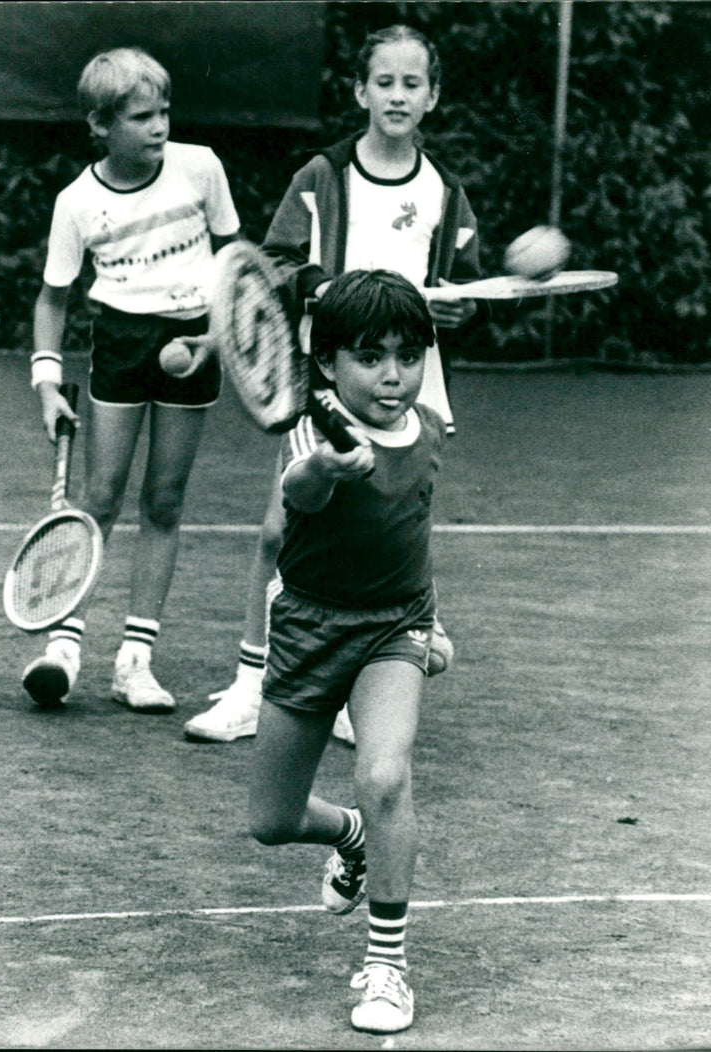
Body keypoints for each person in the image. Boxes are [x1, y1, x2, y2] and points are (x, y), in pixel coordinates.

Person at [185, 23, 479, 745]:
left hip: (412, 392)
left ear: (433, 96)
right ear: (360, 91)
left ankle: (360, 686)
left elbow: (463, 292)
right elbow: (277, 263)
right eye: (385, 82)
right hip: (322, 386)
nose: (398, 95)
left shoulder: (446, 191)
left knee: (390, 538)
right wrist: (332, 292)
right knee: (278, 529)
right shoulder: (321, 177)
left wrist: (452, 302)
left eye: (413, 84)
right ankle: (254, 683)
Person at [248, 269, 443, 1034]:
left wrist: (435, 623)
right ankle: (351, 838)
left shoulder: (426, 428)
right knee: (271, 819)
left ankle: (388, 966)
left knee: (384, 772)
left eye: (407, 354)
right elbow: (300, 491)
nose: (392, 375)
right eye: (370, 357)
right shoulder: (311, 429)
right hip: (308, 626)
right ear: (328, 363)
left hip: (395, 626)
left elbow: (415, 530)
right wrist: (330, 467)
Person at [21, 47, 241, 712]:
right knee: (101, 497)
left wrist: (217, 334)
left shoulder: (200, 168)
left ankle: (135, 661)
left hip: (191, 338)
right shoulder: (77, 202)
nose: (158, 126)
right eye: (142, 116)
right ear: (100, 124)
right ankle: (63, 646)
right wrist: (47, 382)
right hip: (119, 342)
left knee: (165, 501)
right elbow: (52, 298)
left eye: (164, 111)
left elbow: (234, 257)